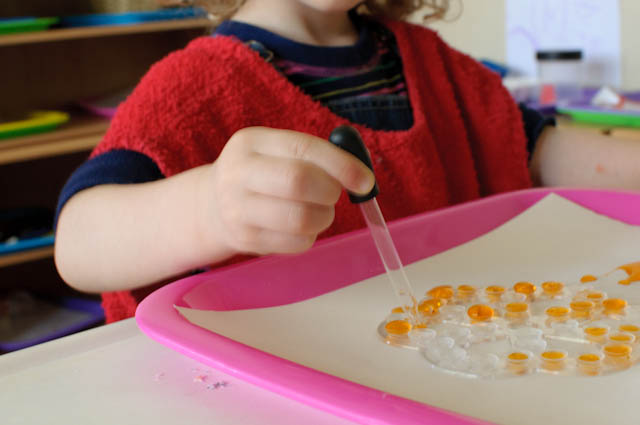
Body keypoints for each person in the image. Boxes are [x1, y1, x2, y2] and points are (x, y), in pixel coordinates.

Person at [54, 0, 640, 323]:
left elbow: (539, 151)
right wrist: (208, 211)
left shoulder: (428, 60)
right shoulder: (195, 83)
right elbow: (79, 243)